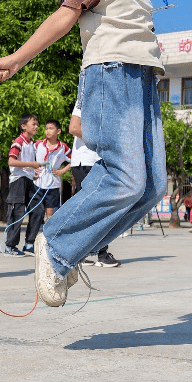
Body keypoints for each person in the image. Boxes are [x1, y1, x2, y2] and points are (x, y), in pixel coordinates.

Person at [0, 0, 173, 307]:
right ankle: (55, 243)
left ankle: (69, 253)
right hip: (111, 75)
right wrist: (16, 59)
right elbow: (64, 16)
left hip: (143, 81)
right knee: (126, 178)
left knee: (152, 186)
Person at [68, 104, 119, 268]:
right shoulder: (83, 101)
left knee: (98, 207)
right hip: (86, 162)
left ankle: (94, 251)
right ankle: (94, 253)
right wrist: (102, 140)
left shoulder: (105, 102)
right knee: (92, 208)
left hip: (96, 160)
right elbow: (74, 128)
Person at [4, 114, 41, 256]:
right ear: (24, 126)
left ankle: (29, 244)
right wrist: (31, 165)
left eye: (37, 124)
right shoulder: (18, 142)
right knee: (17, 213)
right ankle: (10, 246)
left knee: (38, 209)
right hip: (18, 180)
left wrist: (33, 172)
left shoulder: (31, 144)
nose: (36, 127)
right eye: (33, 124)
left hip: (29, 179)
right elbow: (11, 161)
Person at [32, 118, 71, 254]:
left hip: (52, 184)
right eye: (46, 128)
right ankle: (30, 242)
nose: (47, 131)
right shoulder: (38, 145)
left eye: (51, 128)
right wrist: (33, 170)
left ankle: (48, 238)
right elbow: (29, 159)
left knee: (50, 212)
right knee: (36, 212)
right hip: (38, 182)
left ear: (58, 131)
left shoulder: (63, 147)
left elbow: (73, 160)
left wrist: (61, 171)